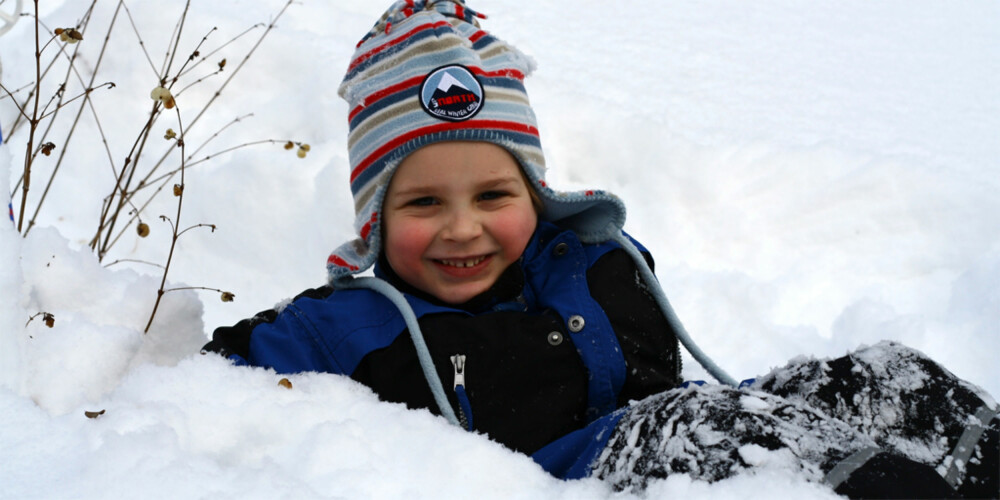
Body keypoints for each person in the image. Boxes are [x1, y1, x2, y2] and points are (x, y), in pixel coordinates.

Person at [203, 2, 998, 498]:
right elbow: (206, 387)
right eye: (421, 204)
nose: (462, 228)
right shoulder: (349, 326)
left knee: (878, 380)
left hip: (682, 445)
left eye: (493, 196)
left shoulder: (595, 262)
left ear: (536, 195)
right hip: (579, 477)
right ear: (374, 217)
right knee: (718, 428)